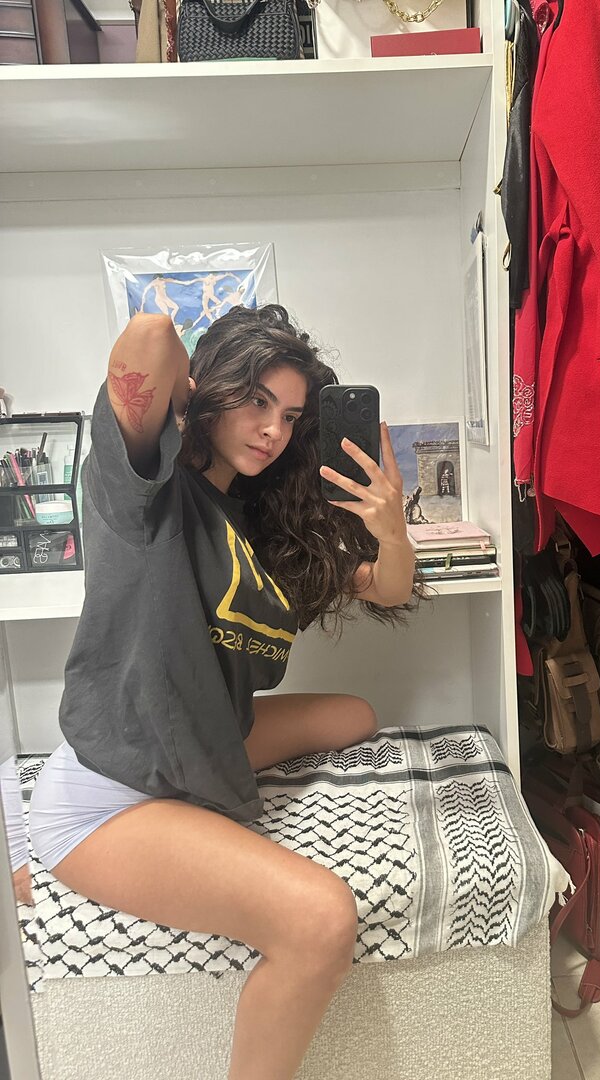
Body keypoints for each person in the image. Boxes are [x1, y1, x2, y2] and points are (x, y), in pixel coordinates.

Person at [27, 304, 422, 1080]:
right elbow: (149, 337)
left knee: (355, 715)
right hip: (110, 796)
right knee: (321, 919)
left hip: (196, 741)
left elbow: (388, 586)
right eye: (255, 400)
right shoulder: (146, 489)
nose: (272, 429)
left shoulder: (263, 525)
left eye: (291, 416)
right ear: (211, 388)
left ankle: (209, 751)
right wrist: (202, 382)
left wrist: (393, 530)